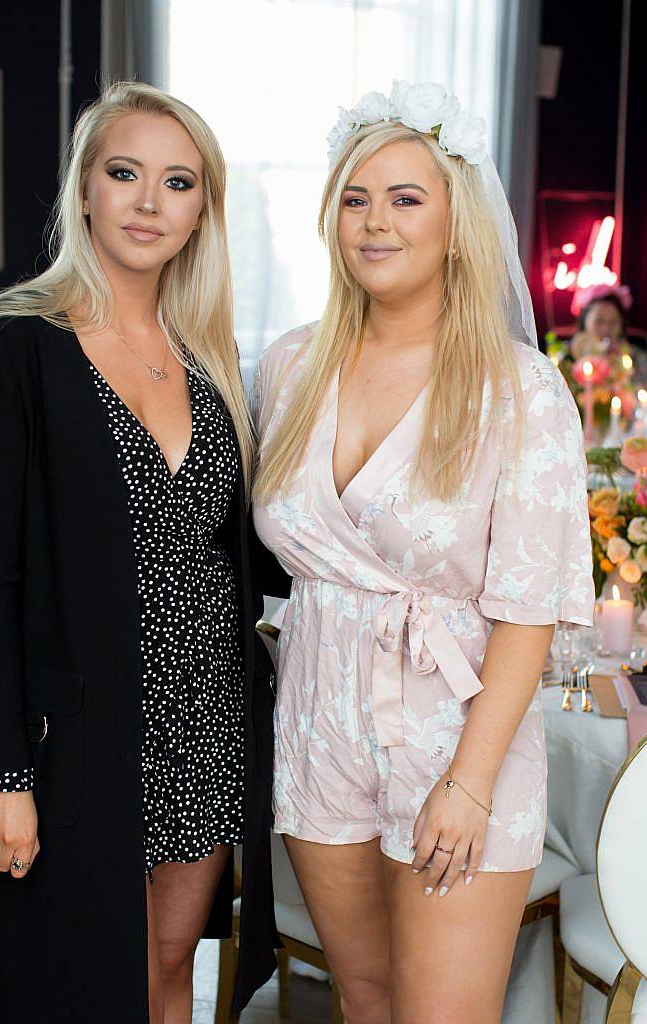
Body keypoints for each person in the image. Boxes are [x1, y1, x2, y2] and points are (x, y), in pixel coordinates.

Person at [252, 80, 594, 1023]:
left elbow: (528, 610)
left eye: (405, 199)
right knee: (361, 1000)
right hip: (319, 722)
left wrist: (468, 783)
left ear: (456, 219)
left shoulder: (516, 389)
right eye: (355, 198)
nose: (375, 222)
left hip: (457, 734)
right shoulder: (288, 365)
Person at [0, 80, 277, 1024]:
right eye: (124, 173)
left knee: (169, 969)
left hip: (205, 713)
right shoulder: (13, 345)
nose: (147, 202)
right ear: (84, 187)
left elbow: (242, 549)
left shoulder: (209, 358)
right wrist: (1, 773)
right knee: (91, 984)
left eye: (177, 183)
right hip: (78, 731)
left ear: (200, 210)